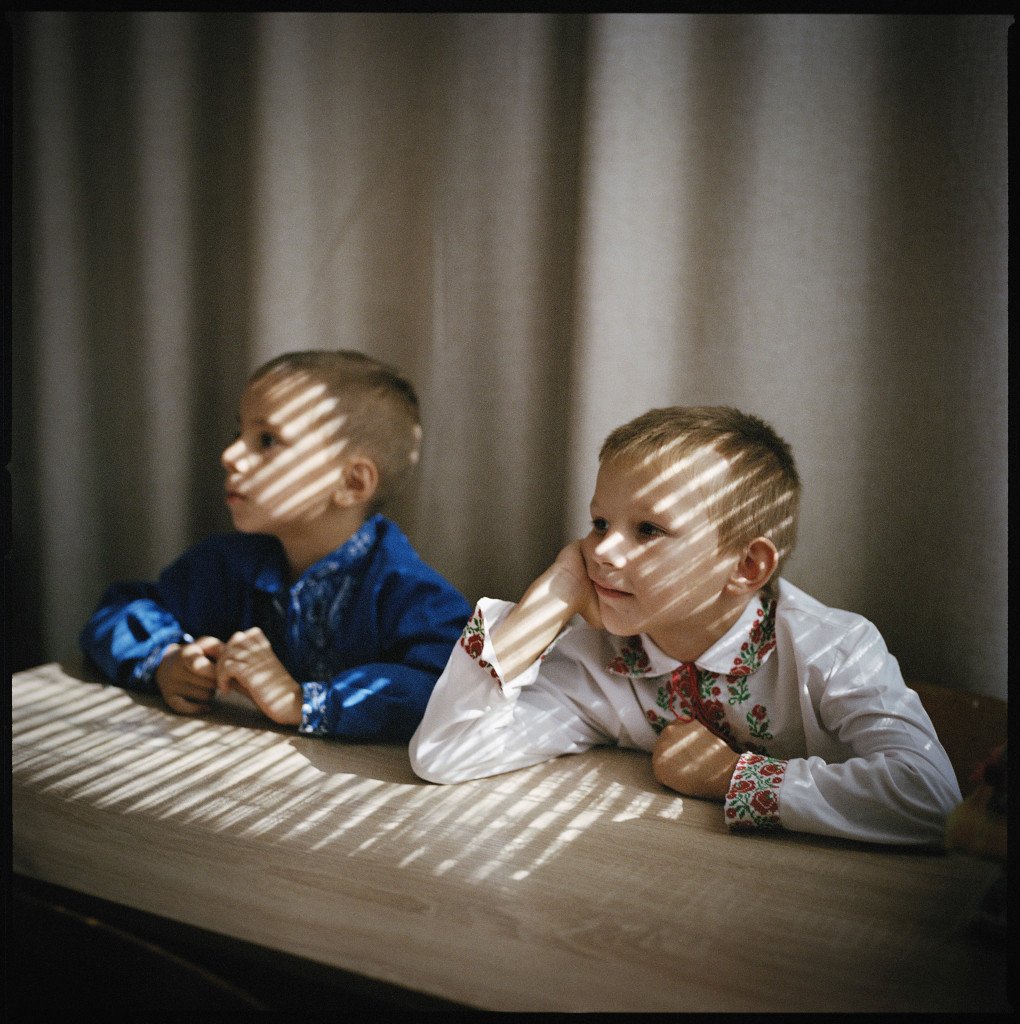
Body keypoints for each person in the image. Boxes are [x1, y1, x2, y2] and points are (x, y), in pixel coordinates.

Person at [409, 406, 961, 846]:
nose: (601, 551)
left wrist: (727, 778)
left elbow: (931, 799)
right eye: (600, 523)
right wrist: (547, 603)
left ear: (746, 567)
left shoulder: (832, 649)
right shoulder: (595, 658)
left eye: (647, 529)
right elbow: (445, 754)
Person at [80, 350, 472, 741]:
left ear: (352, 484)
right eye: (239, 434)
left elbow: (453, 686)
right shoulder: (227, 564)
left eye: (266, 440)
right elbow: (119, 611)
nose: (228, 455)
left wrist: (300, 699)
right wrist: (166, 661)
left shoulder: (409, 593)